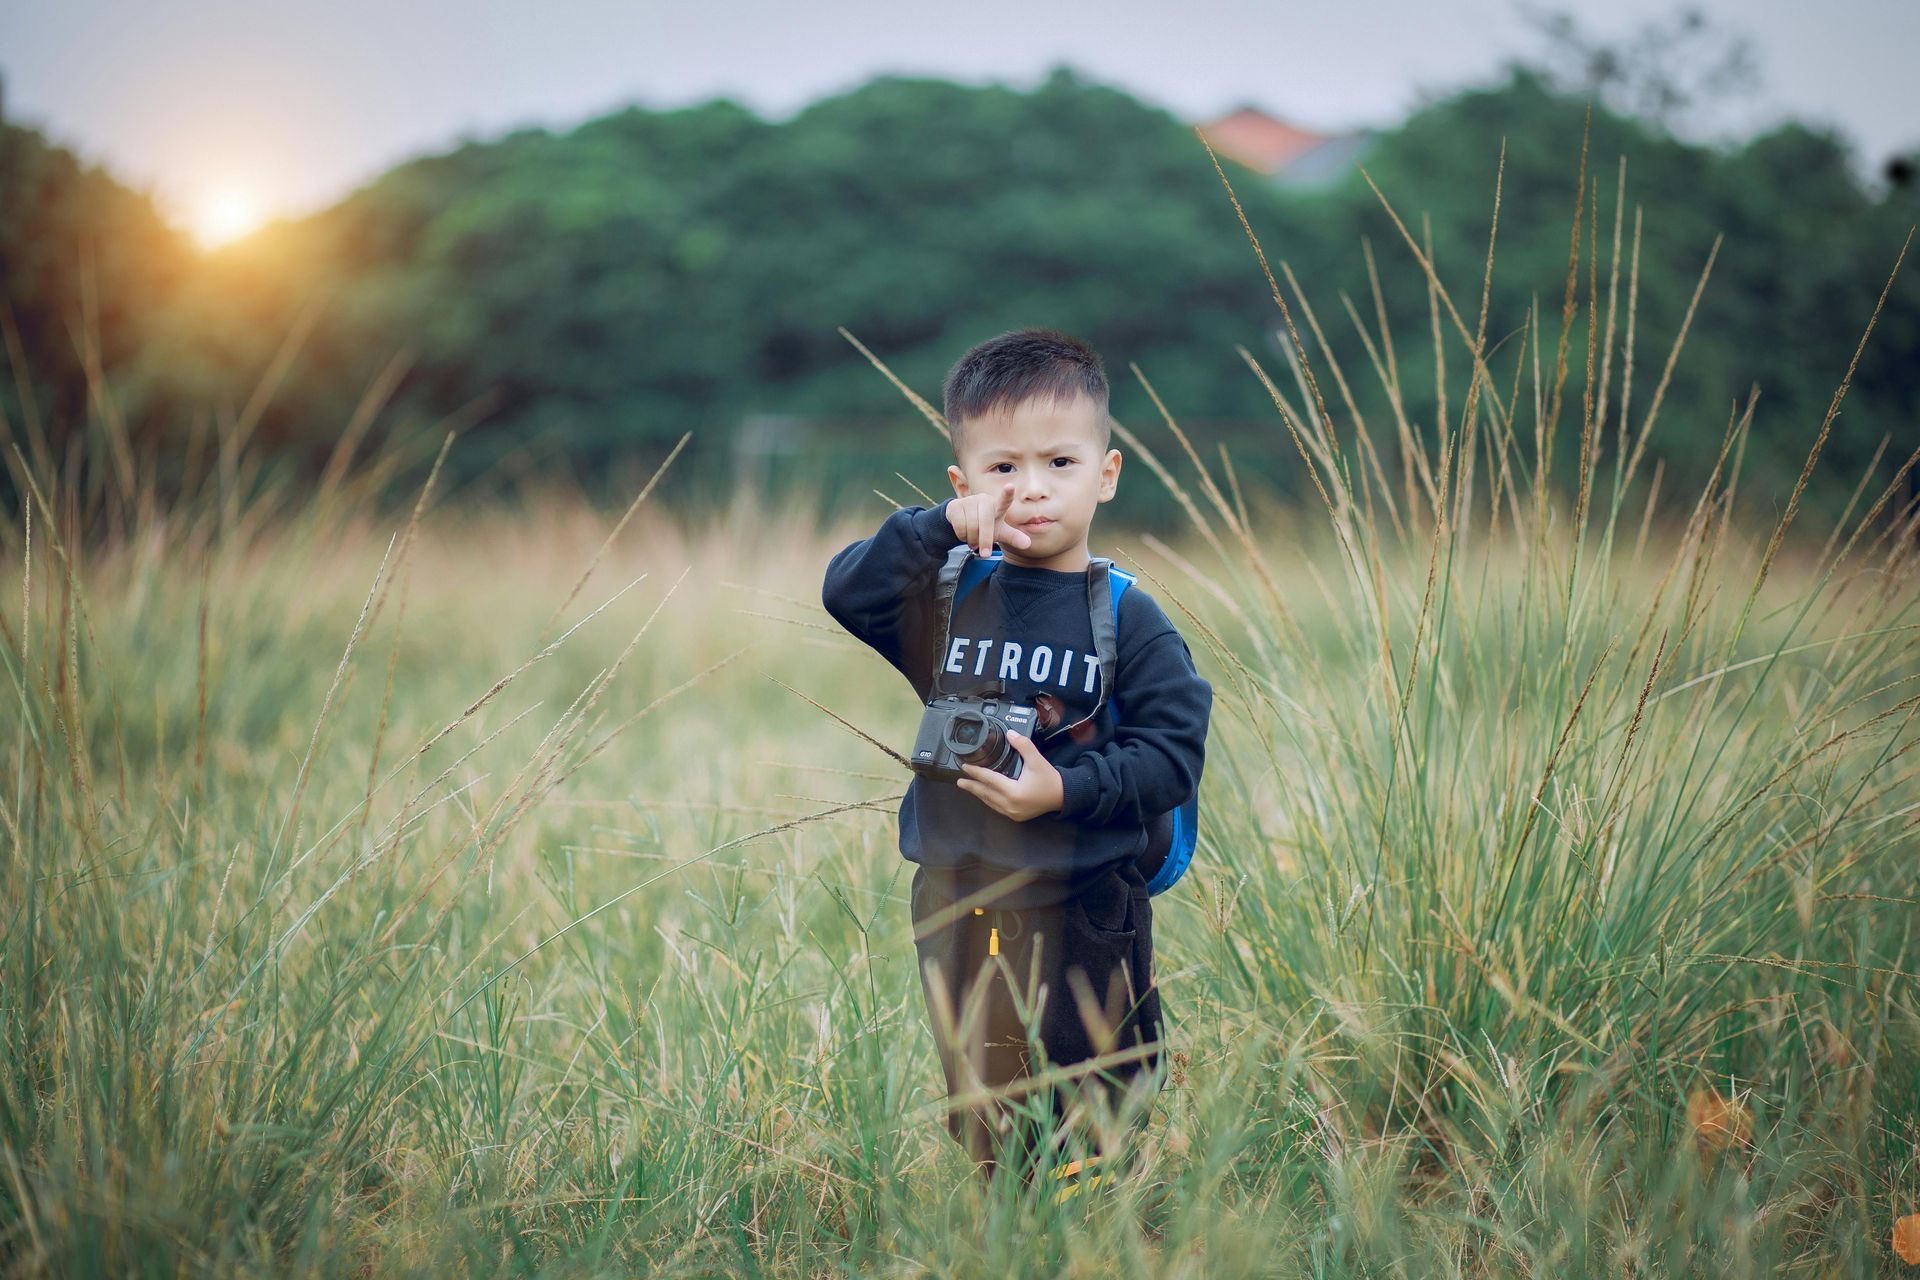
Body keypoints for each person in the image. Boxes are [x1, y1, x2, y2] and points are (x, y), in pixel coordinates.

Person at [820, 327, 1213, 1192]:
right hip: (957, 895)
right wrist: (933, 531)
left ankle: (1097, 1225)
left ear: (1104, 475)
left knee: (1100, 1092)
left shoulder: (1128, 617)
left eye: (1060, 464)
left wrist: (1063, 790)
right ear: (964, 484)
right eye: (1002, 469)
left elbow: (1172, 758)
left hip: (1085, 898)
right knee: (985, 1101)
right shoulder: (952, 593)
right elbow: (846, 591)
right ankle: (1010, 1223)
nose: (1031, 489)